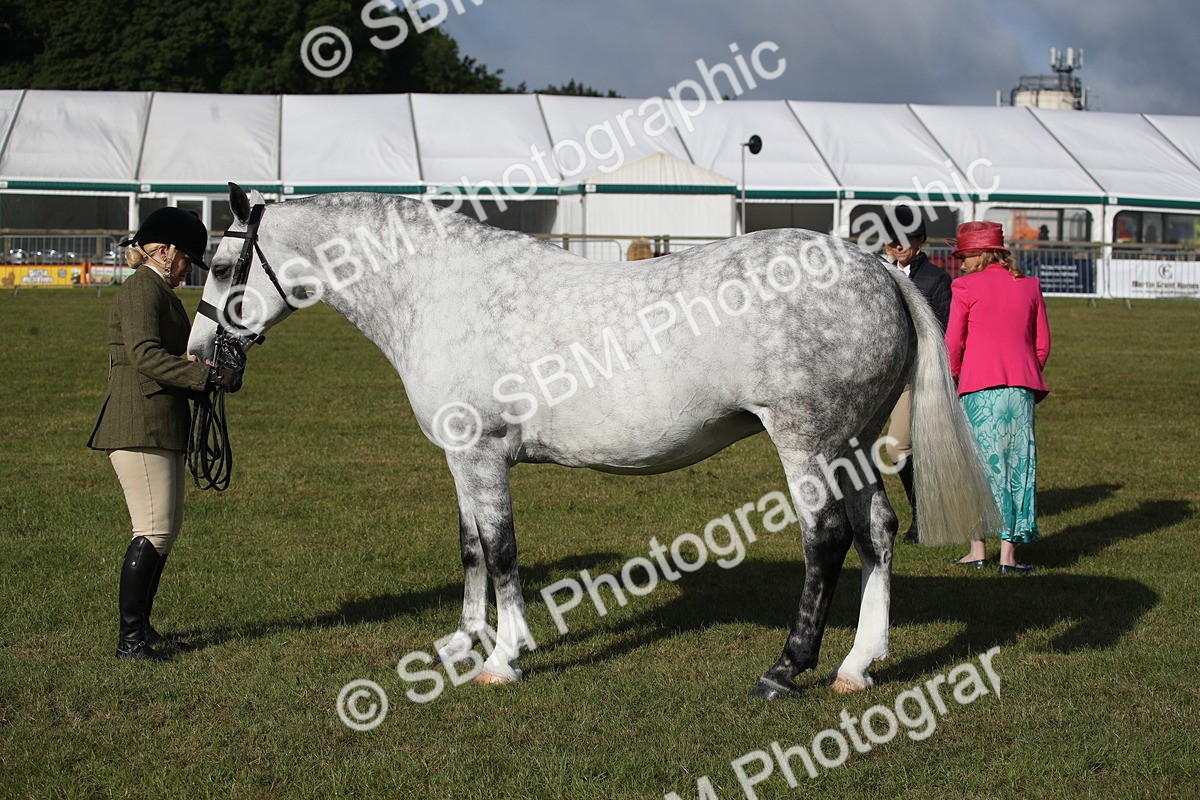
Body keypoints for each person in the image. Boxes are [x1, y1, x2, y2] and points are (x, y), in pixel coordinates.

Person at [87, 207, 242, 661]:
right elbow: (144, 355)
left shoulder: (158, 291)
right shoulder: (141, 290)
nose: (187, 269)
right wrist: (203, 378)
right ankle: (130, 641)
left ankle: (143, 631)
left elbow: (169, 355)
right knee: (152, 529)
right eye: (185, 260)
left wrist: (201, 368)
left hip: (161, 421)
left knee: (165, 532)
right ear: (164, 250)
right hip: (139, 422)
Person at [943, 221, 1050, 574]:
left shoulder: (965, 286)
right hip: (1020, 388)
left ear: (980, 253)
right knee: (1017, 467)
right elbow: (1042, 344)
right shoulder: (1031, 286)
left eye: (965, 255)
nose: (961, 262)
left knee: (978, 465)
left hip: (977, 387)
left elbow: (953, 342)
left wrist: (955, 375)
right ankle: (1009, 557)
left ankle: (977, 549)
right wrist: (1025, 373)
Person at [881, 205, 951, 543]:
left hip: (919, 374)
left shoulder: (936, 279)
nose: (897, 245)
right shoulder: (880, 274)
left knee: (898, 448)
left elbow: (945, 330)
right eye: (891, 239)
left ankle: (921, 514)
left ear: (919, 240)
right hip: (884, 376)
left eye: (904, 239)